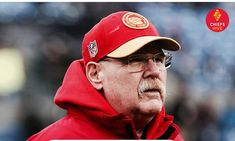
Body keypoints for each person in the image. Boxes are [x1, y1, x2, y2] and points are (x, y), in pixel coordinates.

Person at [27, 11, 184, 140]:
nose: (155, 71)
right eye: (136, 61)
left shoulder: (172, 138)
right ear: (95, 74)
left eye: (159, 60)